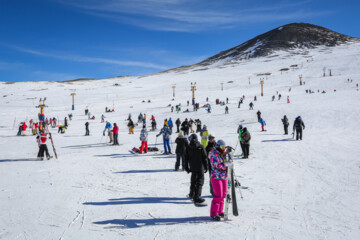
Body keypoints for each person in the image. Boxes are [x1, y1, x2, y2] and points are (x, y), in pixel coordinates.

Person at [184, 134, 208, 204]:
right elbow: (205, 157)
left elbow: (186, 159)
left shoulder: (188, 147)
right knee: (200, 182)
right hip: (200, 167)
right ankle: (196, 197)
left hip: (193, 167)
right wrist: (206, 167)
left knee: (193, 181)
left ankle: (191, 194)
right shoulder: (200, 146)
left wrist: (186, 168)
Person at [208, 139, 228, 221]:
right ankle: (214, 213)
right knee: (218, 195)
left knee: (223, 195)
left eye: (224, 147)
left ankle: (220, 211)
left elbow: (225, 161)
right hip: (216, 177)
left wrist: (228, 155)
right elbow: (217, 165)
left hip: (223, 176)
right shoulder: (214, 154)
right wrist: (226, 165)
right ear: (218, 146)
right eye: (222, 147)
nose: (223, 148)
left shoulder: (222, 153)